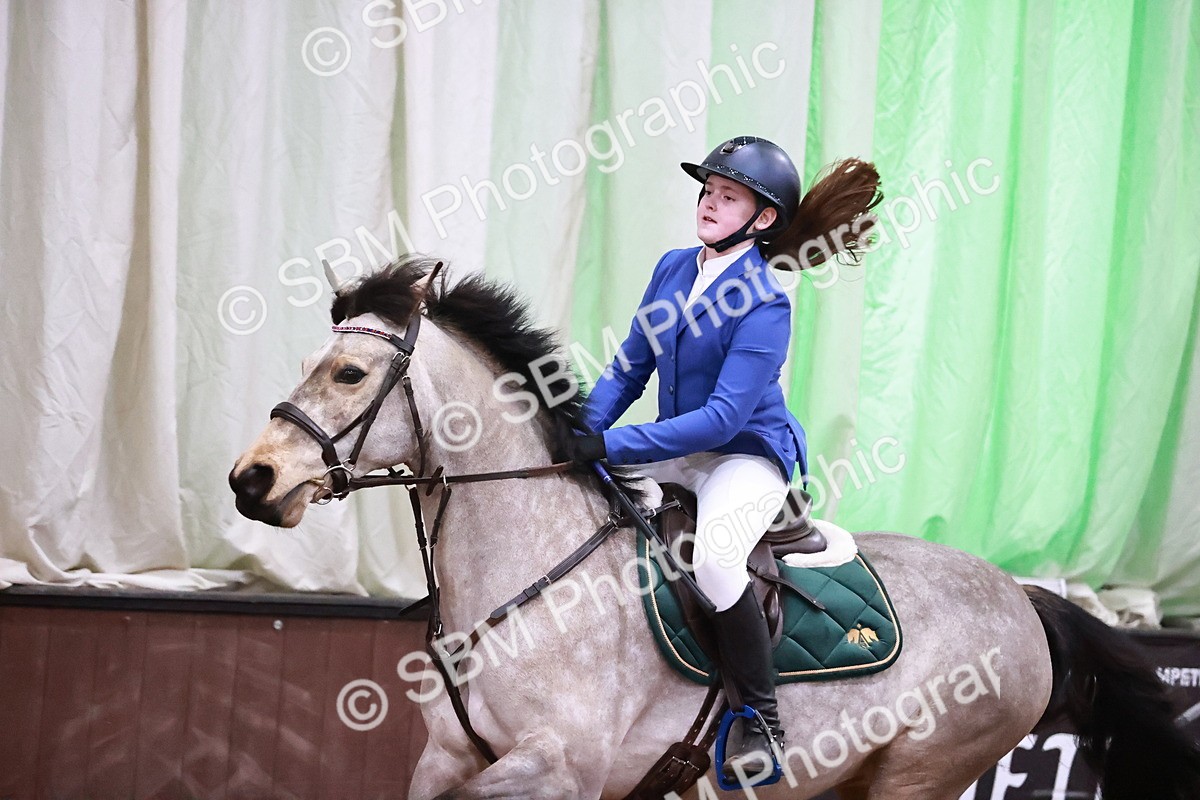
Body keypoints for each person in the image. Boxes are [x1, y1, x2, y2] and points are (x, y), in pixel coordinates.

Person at [567, 135, 881, 782]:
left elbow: (722, 420)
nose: (709, 202)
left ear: (762, 218)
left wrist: (612, 444)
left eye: (727, 195)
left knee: (712, 557)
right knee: (579, 497)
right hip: (675, 447)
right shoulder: (674, 267)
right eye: (708, 190)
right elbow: (630, 366)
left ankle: (761, 717)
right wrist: (578, 434)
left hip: (744, 456)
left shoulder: (767, 302)